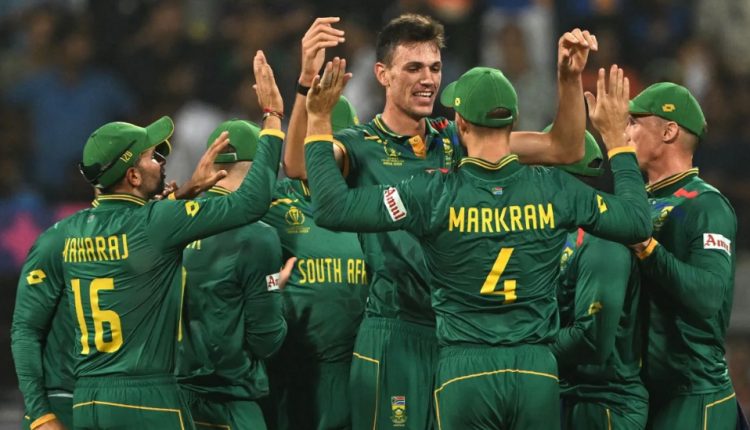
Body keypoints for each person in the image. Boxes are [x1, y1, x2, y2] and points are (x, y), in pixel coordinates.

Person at [286, 14, 598, 429]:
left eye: (434, 68)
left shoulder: (459, 136)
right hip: (396, 334)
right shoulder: (359, 145)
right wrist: (307, 84)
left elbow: (565, 148)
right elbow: (297, 165)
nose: (428, 80)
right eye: (414, 68)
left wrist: (569, 79)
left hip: (461, 339)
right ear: (382, 74)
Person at [17, 50, 283, 429]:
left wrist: (39, 413)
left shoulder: (61, 234)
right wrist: (272, 117)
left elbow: (24, 329)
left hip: (88, 399)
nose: (161, 161)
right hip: (149, 398)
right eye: (151, 156)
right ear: (133, 176)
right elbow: (251, 203)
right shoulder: (158, 223)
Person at [627, 83, 738, 429]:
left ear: (669, 131)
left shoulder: (706, 205)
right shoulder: (639, 202)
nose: (625, 134)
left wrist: (647, 248)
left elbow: (707, 295)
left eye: (634, 122)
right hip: (644, 395)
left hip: (694, 395)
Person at [261, 96, 368, 430]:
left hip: (356, 367)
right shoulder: (273, 203)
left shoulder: (370, 202)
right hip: (293, 370)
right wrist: (269, 286)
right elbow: (237, 273)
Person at [176, 119, 290, 429]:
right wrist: (276, 292)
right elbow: (266, 340)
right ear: (261, 169)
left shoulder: (169, 219)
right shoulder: (257, 235)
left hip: (168, 401)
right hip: (227, 401)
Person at [550, 131, 649, 429]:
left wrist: (525, 350)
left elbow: (591, 339)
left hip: (604, 405)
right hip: (568, 395)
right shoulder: (553, 235)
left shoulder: (603, 242)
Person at [12, 222, 78, 430]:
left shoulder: (155, 240)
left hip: (138, 400)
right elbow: (26, 329)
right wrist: (40, 413)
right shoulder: (60, 239)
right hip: (64, 401)